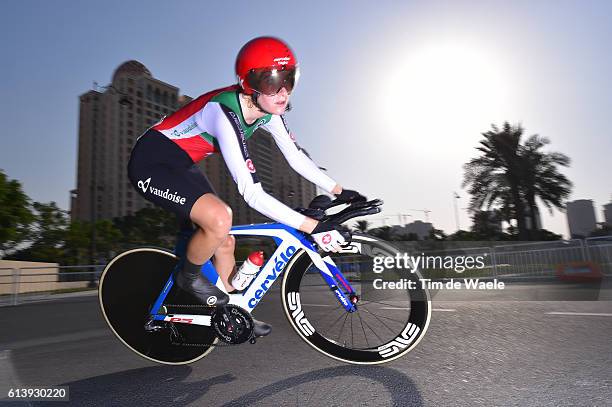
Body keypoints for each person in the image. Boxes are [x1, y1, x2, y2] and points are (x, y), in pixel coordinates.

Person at [128, 36, 365, 337]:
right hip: (151, 163)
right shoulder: (222, 112)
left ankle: (231, 311)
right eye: (271, 82)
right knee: (219, 218)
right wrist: (310, 226)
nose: (282, 92)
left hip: (183, 164)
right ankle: (188, 277)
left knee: (224, 241)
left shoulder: (268, 111)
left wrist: (338, 190)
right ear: (249, 84)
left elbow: (295, 156)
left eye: (288, 80)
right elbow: (250, 192)